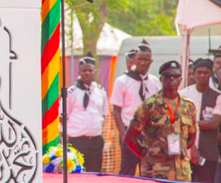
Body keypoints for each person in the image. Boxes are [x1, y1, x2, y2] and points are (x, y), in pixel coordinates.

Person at [125, 61, 197, 181]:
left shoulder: (188, 106)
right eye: (167, 76)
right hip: (155, 172)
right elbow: (130, 138)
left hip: (181, 173)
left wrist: (180, 149)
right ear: (161, 79)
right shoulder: (149, 106)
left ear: (180, 79)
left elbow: (191, 137)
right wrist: (147, 156)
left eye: (175, 75)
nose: (172, 78)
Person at [111, 40, 161, 175]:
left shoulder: (155, 82)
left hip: (150, 133)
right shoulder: (122, 81)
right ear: (134, 60)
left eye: (146, 60)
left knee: (149, 171)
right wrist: (124, 135)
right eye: (139, 59)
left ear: (151, 62)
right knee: (127, 171)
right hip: (130, 132)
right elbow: (116, 110)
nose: (142, 63)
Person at [179, 58, 221, 183]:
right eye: (199, 72)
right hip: (184, 152)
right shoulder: (183, 94)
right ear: (194, 74)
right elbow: (178, 123)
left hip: (208, 153)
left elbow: (214, 123)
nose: (202, 75)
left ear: (211, 74)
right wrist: (191, 147)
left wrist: (189, 123)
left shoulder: (219, 96)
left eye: (205, 72)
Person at [65, 53, 107, 172]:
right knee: (77, 174)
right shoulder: (71, 92)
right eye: (84, 70)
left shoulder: (101, 92)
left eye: (90, 70)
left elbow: (103, 114)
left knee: (94, 174)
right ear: (79, 72)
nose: (87, 73)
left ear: (95, 72)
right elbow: (63, 116)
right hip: (77, 141)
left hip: (96, 141)